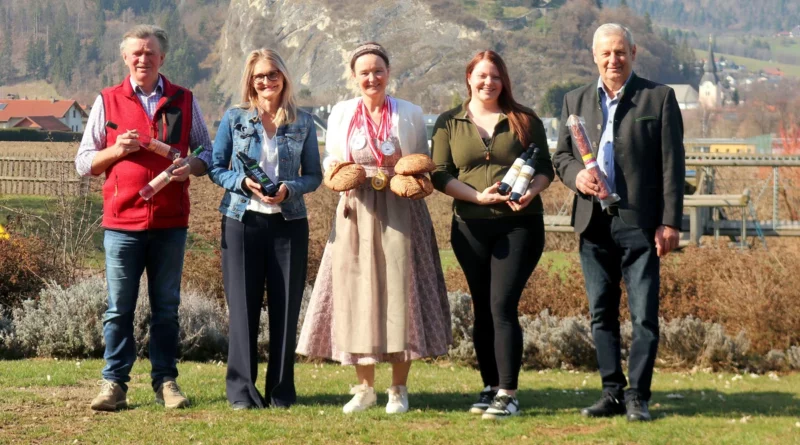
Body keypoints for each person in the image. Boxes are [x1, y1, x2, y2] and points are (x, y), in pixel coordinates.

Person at [296, 42, 451, 414]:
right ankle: (364, 388)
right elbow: (333, 158)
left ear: (388, 72)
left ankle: (398, 389)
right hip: (357, 210)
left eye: (378, 71)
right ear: (354, 76)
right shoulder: (341, 112)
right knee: (356, 294)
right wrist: (339, 174)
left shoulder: (409, 113)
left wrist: (414, 179)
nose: (372, 78)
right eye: (364, 72)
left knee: (402, 292)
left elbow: (420, 159)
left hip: (401, 210)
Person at [75, 24, 213, 411]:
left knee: (166, 309)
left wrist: (192, 166)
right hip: (122, 224)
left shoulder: (184, 99)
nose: (143, 58)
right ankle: (114, 385)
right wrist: (116, 150)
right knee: (118, 309)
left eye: (150, 52)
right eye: (136, 52)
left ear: (162, 58)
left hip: (171, 223)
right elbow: (84, 162)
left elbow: (208, 151)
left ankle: (166, 383)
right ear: (125, 57)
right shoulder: (107, 100)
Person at [553, 23, 685, 422]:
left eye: (621, 52)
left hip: (640, 224)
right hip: (592, 222)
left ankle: (638, 396)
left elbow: (672, 165)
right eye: (606, 53)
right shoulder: (574, 100)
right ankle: (611, 392)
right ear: (594, 56)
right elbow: (561, 157)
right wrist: (576, 176)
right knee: (601, 313)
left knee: (644, 316)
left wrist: (670, 222)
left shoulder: (658, 98)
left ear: (633, 53)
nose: (614, 60)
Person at [430, 50, 554, 420]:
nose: (489, 83)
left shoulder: (525, 119)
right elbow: (439, 173)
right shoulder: (448, 122)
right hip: (469, 226)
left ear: (504, 81)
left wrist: (532, 191)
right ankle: (490, 386)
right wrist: (476, 197)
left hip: (519, 225)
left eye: (496, 76)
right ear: (469, 78)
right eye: (482, 76)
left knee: (502, 305)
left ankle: (508, 393)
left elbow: (545, 168)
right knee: (482, 307)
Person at [208, 49, 322, 410]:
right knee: (243, 310)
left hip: (289, 224)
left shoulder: (303, 122)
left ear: (283, 77)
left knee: (286, 310)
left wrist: (290, 188)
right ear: (250, 80)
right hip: (242, 222)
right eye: (259, 75)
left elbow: (313, 175)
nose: (266, 81)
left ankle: (280, 393)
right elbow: (215, 167)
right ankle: (242, 392)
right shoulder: (234, 118)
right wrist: (242, 183)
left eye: (273, 74)